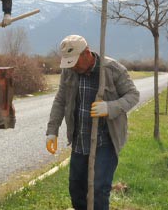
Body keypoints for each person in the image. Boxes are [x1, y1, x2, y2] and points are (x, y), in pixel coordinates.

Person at [45, 35, 139, 210]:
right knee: (76, 189)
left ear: (86, 53)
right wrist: (52, 130)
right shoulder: (69, 70)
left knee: (98, 190)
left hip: (106, 141)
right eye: (68, 63)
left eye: (74, 62)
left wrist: (110, 108)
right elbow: (60, 99)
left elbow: (133, 95)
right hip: (80, 139)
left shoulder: (111, 69)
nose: (71, 67)